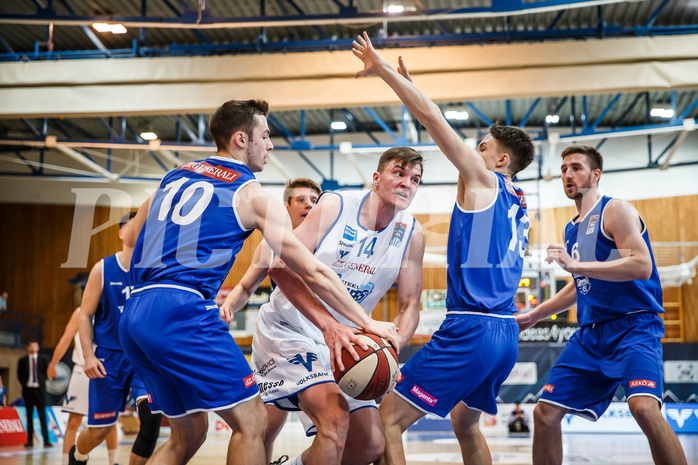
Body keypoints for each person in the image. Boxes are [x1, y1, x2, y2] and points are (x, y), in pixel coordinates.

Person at [118, 99, 398, 465]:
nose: (270, 145)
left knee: (189, 434)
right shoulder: (253, 195)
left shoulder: (173, 177)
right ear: (240, 139)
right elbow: (311, 271)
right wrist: (367, 322)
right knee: (251, 420)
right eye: (264, 137)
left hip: (135, 309)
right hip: (183, 310)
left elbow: (131, 235)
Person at [352, 32, 535, 465]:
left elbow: (434, 121)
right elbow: (435, 122)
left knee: (388, 420)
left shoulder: (485, 180)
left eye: (483, 147)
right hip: (505, 333)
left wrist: (382, 73)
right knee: (465, 424)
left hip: (471, 328)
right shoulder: (517, 200)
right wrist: (416, 90)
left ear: (500, 160)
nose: (474, 151)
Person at [252, 146, 425, 465]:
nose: (406, 183)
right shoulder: (336, 205)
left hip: (346, 340)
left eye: (414, 179)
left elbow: (411, 303)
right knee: (333, 420)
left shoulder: (412, 234)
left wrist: (393, 347)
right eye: (398, 174)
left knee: (371, 445)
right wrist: (328, 324)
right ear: (376, 178)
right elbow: (279, 267)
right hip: (290, 329)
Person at [516, 145, 687, 465]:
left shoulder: (616, 210)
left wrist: (576, 266)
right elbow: (581, 285)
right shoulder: (571, 228)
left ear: (595, 175)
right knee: (545, 413)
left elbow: (641, 265)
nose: (568, 174)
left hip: (634, 325)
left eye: (577, 167)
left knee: (644, 409)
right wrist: (535, 315)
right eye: (565, 168)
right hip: (591, 335)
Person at [218, 177, 321, 462]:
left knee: (337, 425)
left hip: (321, 337)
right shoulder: (269, 245)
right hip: (284, 339)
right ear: (286, 205)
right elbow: (244, 288)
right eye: (301, 200)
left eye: (314, 200)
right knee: (264, 428)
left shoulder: (330, 241)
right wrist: (228, 306)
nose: (309, 206)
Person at [70, 213, 163, 465]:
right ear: (122, 233)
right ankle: (77, 455)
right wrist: (88, 355)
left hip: (143, 358)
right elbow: (85, 314)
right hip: (109, 358)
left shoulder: (155, 270)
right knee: (100, 430)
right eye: (132, 227)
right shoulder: (103, 268)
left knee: (152, 415)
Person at [48, 307, 119, 465]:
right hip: (82, 370)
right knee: (74, 421)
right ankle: (66, 462)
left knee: (110, 422)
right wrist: (53, 363)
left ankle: (113, 462)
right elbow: (66, 339)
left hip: (105, 371)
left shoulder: (112, 307)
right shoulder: (80, 312)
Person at [17, 340, 52, 447]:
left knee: (42, 415)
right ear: (28, 348)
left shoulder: (43, 359)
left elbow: (47, 373)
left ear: (38, 347)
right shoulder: (22, 360)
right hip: (28, 390)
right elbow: (19, 375)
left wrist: (41, 382)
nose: (33, 348)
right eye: (31, 346)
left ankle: (46, 439)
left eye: (35, 346)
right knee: (30, 415)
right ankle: (30, 440)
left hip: (39, 390)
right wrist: (25, 384)